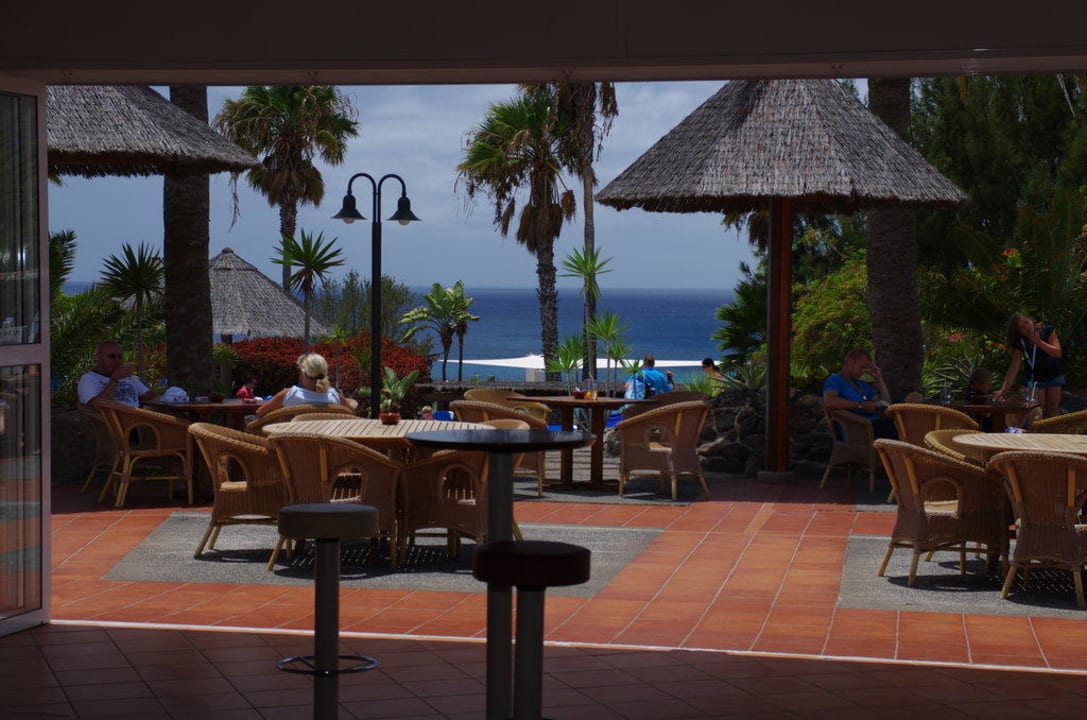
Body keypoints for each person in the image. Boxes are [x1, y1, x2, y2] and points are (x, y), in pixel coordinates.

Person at [996, 312, 1065, 418]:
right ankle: (1038, 428)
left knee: (1052, 408)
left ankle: (1052, 428)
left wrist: (1039, 343)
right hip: (1035, 378)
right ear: (1018, 332)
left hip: (1053, 373)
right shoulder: (1021, 342)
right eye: (1021, 328)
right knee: (1038, 409)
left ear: (1031, 320)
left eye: (1026, 322)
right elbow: (1014, 366)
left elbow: (1057, 353)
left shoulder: (1047, 330)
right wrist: (1003, 390)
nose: (1026, 327)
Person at [822, 348, 896, 438]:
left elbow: (886, 404)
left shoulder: (862, 384)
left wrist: (879, 378)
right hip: (857, 430)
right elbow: (829, 401)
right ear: (850, 362)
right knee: (895, 428)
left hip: (875, 426)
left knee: (899, 424)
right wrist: (860, 405)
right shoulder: (835, 380)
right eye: (861, 367)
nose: (863, 371)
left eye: (866, 368)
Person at [254, 353, 353, 417]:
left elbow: (260, 413)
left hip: (291, 443)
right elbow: (352, 415)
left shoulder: (290, 395)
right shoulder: (335, 396)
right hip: (329, 443)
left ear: (303, 374)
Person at [77, 341, 159, 408]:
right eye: (111, 356)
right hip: (116, 421)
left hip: (139, 418)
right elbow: (95, 406)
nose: (117, 360)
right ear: (99, 357)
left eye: (120, 356)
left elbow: (150, 396)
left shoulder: (127, 377)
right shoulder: (88, 379)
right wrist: (115, 379)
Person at [964, 367, 995, 431]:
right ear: (977, 384)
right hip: (984, 432)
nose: (990, 386)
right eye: (988, 384)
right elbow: (987, 414)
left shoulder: (971, 393)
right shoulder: (975, 396)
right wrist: (994, 400)